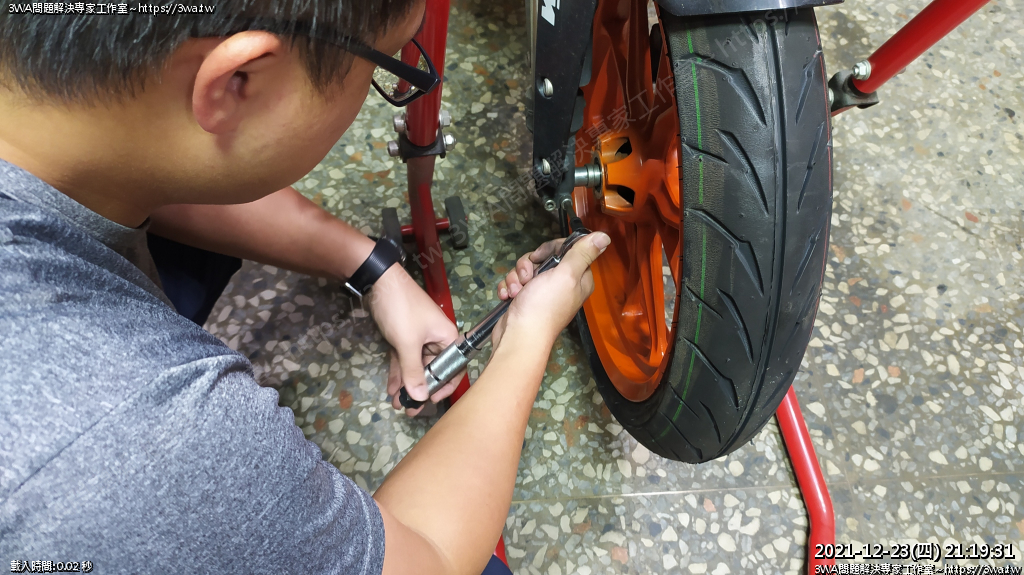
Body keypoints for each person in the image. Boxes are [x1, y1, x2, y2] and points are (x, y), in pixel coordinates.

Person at [0, 1, 611, 574]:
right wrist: (525, 338)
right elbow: (430, 559)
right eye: (386, 64)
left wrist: (373, 269)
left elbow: (146, 165)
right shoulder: (140, 438)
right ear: (238, 80)